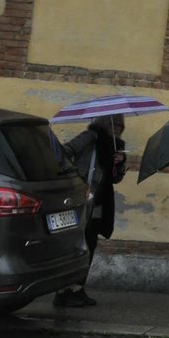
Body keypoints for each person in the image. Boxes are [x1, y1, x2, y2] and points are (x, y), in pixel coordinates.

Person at [57, 114, 126, 307]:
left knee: (89, 242)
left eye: (121, 125)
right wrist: (76, 177)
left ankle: (77, 288)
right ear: (104, 123)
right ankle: (63, 290)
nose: (118, 128)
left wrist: (119, 163)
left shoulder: (116, 146)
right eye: (115, 124)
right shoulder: (90, 137)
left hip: (98, 202)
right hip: (80, 199)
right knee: (75, 244)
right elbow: (64, 152)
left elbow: (114, 178)